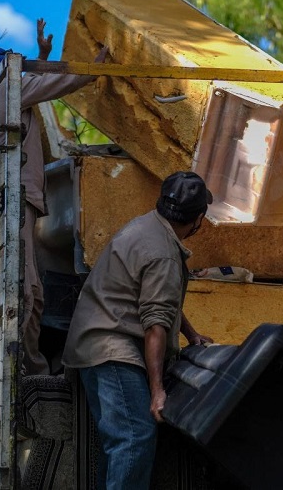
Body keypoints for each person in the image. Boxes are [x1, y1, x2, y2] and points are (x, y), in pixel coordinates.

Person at [0, 19, 108, 375]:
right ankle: (31, 373)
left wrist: (44, 54)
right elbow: (55, 85)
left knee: (28, 289)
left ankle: (28, 367)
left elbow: (38, 83)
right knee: (26, 292)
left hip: (5, 203)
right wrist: (95, 70)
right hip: (10, 203)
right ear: (2, 69)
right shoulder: (3, 92)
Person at [62, 171, 214, 490]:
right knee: (135, 437)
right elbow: (155, 323)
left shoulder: (148, 226)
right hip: (109, 345)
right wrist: (157, 390)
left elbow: (158, 298)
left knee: (119, 444)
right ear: (199, 219)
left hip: (94, 338)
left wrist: (191, 334)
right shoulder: (164, 255)